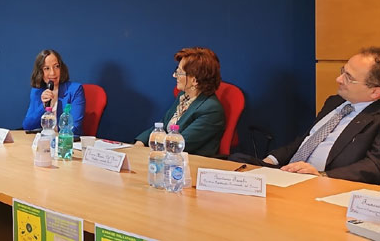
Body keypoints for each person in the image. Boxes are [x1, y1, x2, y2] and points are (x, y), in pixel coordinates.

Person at [231, 47, 380, 184]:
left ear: (375, 92)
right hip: (291, 172)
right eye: (343, 71)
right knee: (237, 160)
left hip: (325, 181)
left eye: (348, 77)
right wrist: (271, 160)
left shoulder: (375, 118)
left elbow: (373, 166)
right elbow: (307, 140)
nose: (338, 79)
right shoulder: (334, 102)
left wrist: (322, 176)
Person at [134, 47, 225, 156]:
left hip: (189, 161)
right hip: (166, 156)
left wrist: (149, 148)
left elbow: (178, 144)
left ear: (195, 80)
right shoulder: (183, 96)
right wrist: (140, 143)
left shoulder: (211, 110)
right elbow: (161, 126)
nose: (174, 75)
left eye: (180, 72)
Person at [22, 49, 86, 136]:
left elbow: (75, 128)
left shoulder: (75, 90)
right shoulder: (37, 91)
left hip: (66, 141)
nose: (52, 73)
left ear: (61, 68)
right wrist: (43, 106)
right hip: (45, 140)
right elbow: (28, 126)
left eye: (56, 66)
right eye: (47, 68)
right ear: (40, 72)